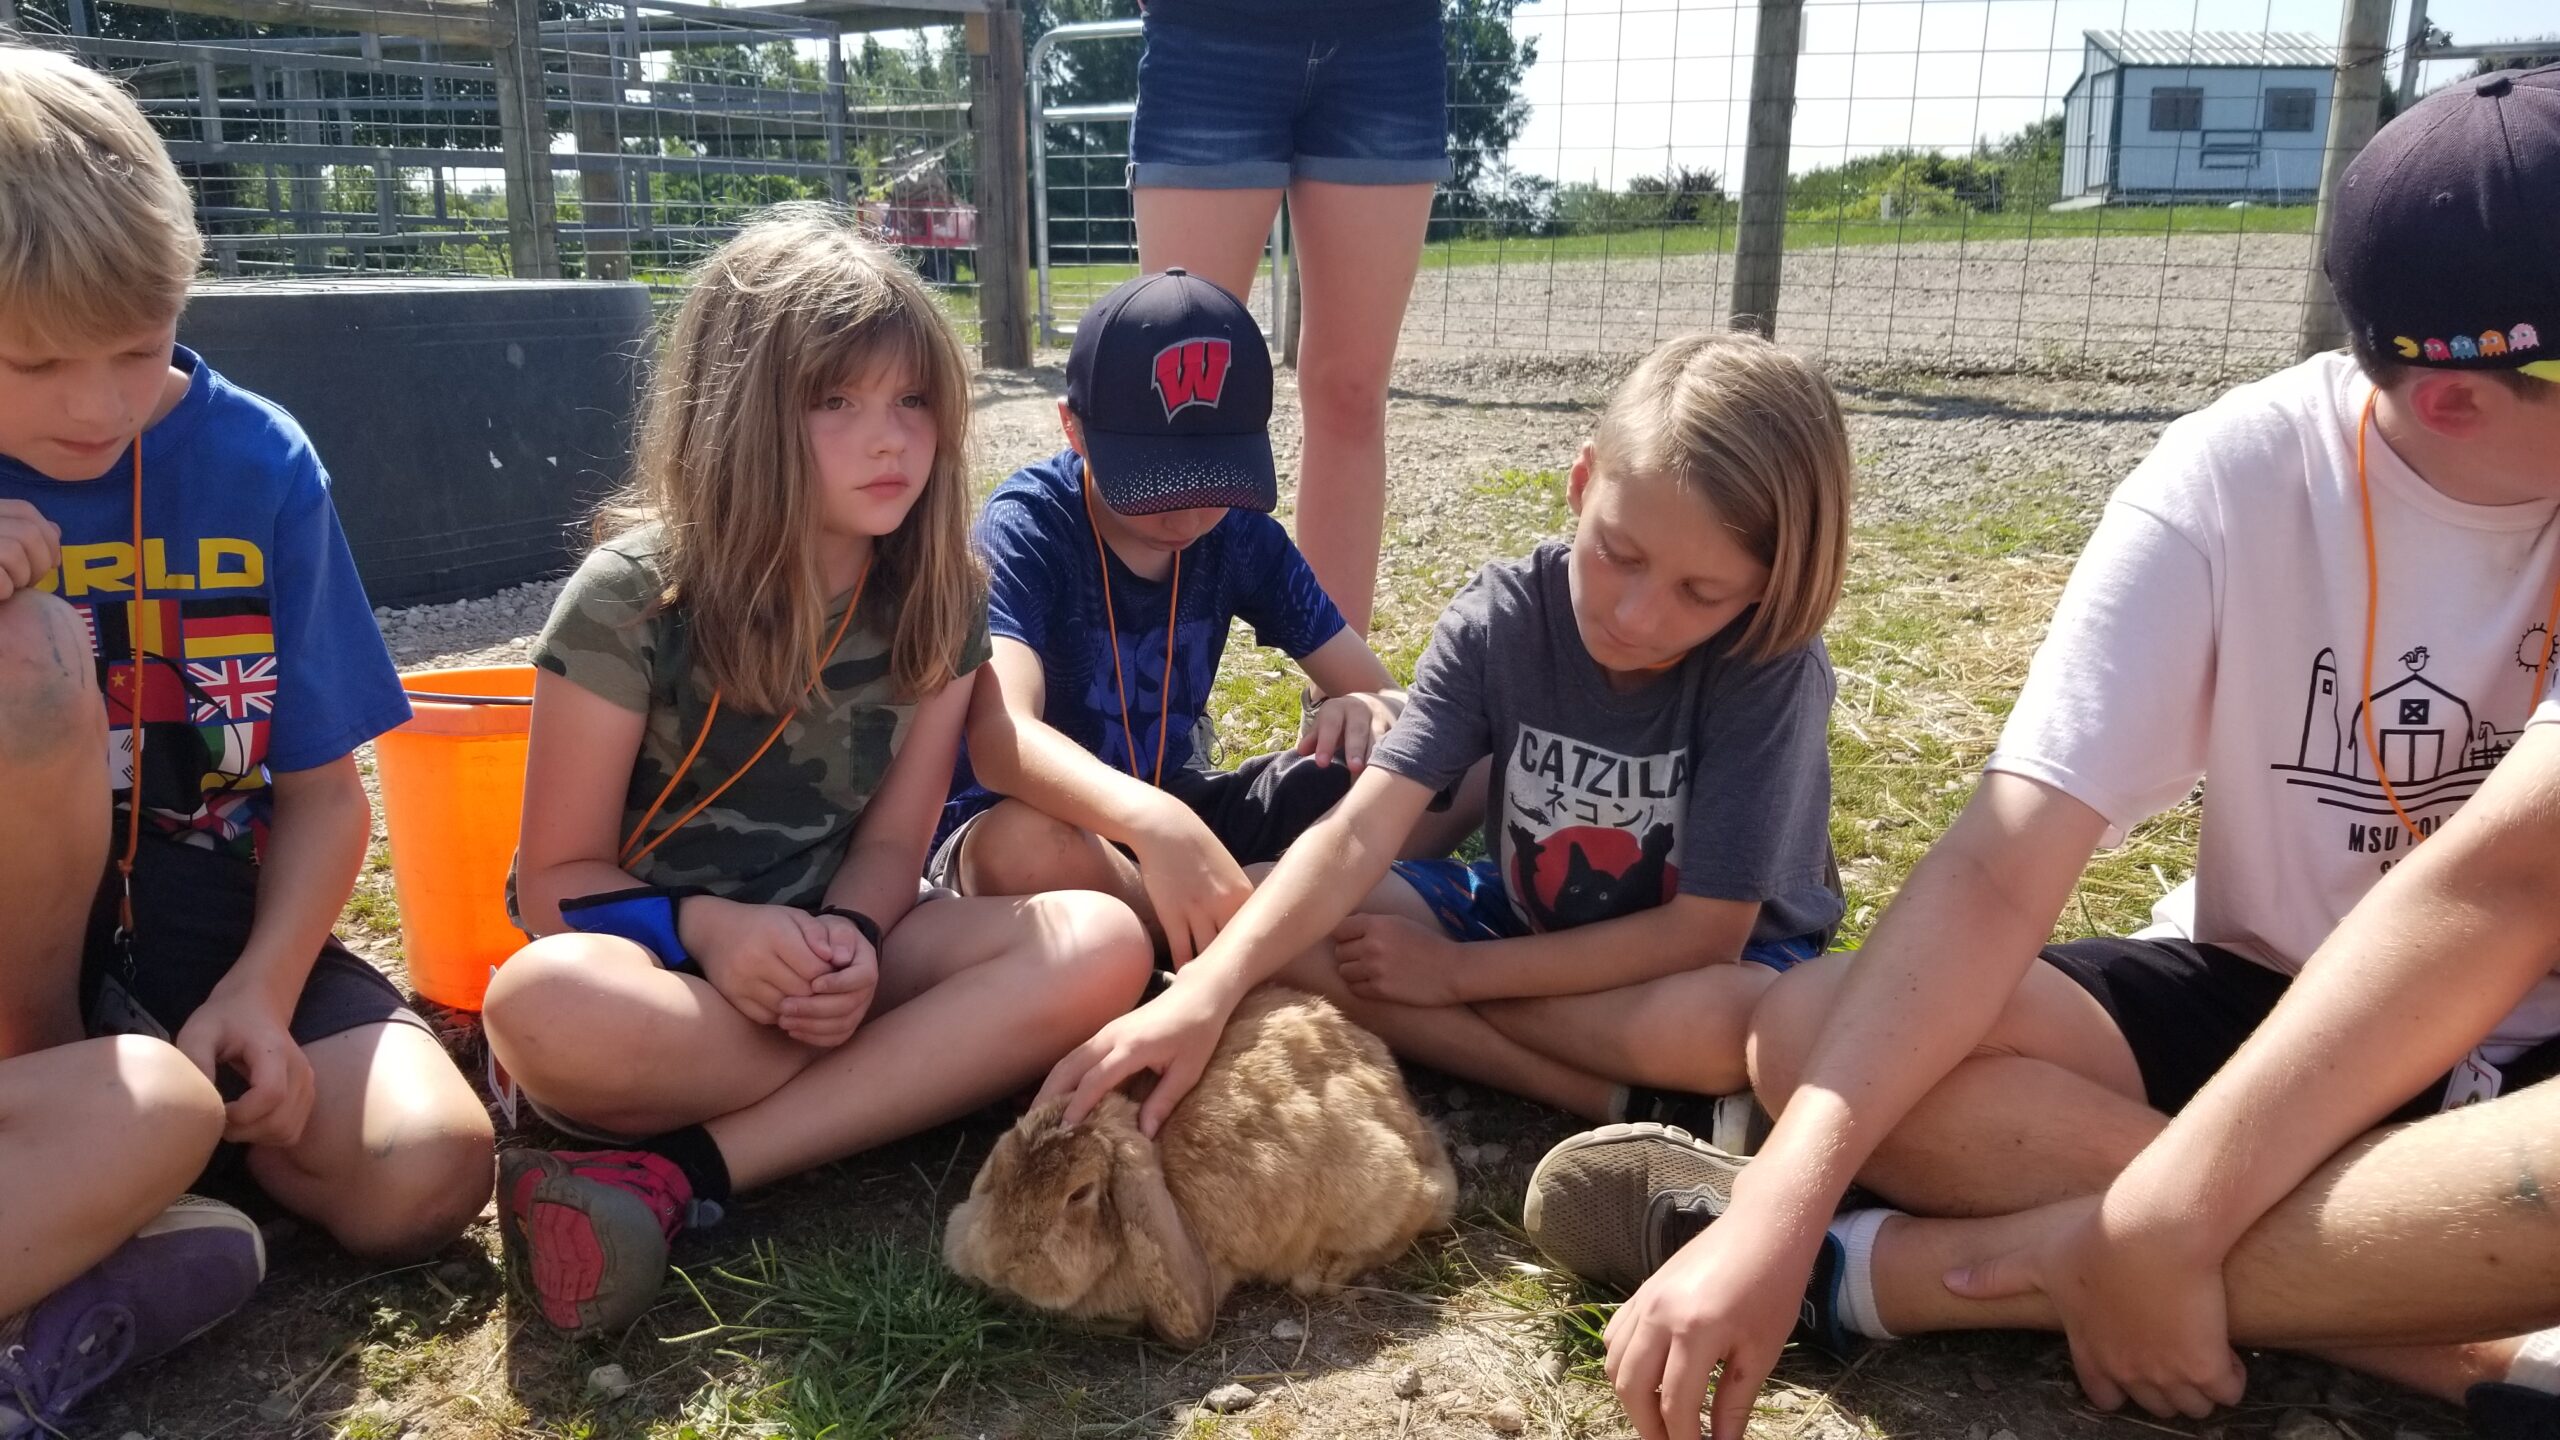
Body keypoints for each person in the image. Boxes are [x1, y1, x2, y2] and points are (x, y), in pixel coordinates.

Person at [1520, 64, 2560, 1440]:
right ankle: (2449, 1299)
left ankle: (1931, 1280)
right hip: (2269, 993)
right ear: (2454, 400)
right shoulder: (2234, 480)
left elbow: (2505, 886)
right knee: (1825, 1036)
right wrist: (1781, 1204)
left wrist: (2161, 1223)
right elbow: (2007, 863)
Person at [480, 205, 1152, 1338]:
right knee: (534, 1005)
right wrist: (713, 934)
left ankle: (688, 1167)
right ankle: (898, 1084)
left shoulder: (940, 595)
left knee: (1104, 941)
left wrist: (849, 940)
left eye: (909, 402)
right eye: (833, 403)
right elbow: (554, 881)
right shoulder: (627, 598)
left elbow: (895, 845)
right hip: (664, 979)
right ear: (737, 416)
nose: (887, 439)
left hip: (845, 961)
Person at [0, 49, 489, 1433]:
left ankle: (108, 1211)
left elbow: (328, 797)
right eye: (33, 361)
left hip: (210, 928)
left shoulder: (256, 459)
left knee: (427, 1172)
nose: (95, 406)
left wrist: (264, 994)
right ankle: (96, 1148)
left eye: (140, 345)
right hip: (15, 970)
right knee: (32, 653)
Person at [1037, 328, 1851, 1137]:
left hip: (1700, 968)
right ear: (1582, 481)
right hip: (1535, 926)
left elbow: (1705, 933)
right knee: (1268, 916)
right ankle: (1616, 1102)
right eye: (1618, 553)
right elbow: (1361, 835)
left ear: (1768, 585)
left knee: (1737, 1026)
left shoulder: (1770, 666)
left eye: (1702, 593)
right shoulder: (1503, 616)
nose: (1638, 616)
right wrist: (1207, 990)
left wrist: (1459, 976)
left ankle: (1580, 1066)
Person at [939, 268, 1465, 963]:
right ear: (1074, 429)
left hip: (1180, 809)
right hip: (1058, 832)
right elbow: (1002, 740)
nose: (1188, 516)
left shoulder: (1237, 535)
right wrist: (1154, 823)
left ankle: (1211, 928)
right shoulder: (1025, 529)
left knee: (1459, 770)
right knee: (1025, 846)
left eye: (1216, 482)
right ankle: (1260, 923)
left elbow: (1397, 703)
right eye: (1156, 483)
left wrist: (1368, 705)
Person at [1127, 0, 1449, 635]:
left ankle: (1340, 709)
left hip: (1389, 38)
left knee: (1352, 393)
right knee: (1179, 398)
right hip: (1210, 32)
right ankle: (1155, 704)